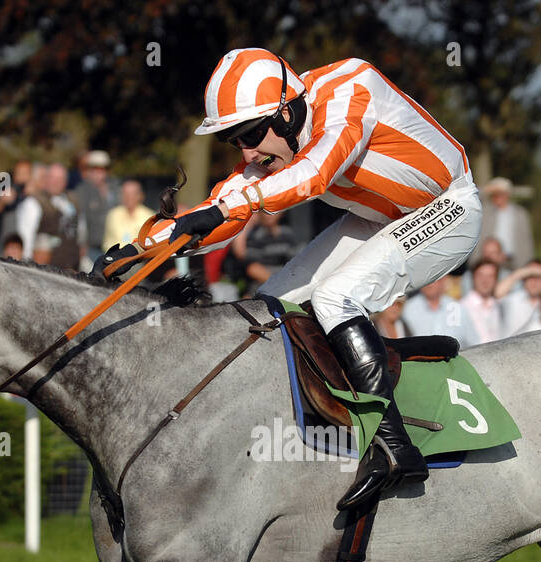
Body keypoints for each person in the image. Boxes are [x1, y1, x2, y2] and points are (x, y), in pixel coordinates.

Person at [102, 48, 482, 511]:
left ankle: (394, 447)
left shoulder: (351, 88)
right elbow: (228, 202)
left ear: (285, 112)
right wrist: (145, 248)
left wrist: (225, 209)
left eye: (250, 135)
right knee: (269, 307)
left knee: (336, 297)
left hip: (449, 207)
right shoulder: (274, 136)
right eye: (234, 142)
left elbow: (317, 173)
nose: (247, 152)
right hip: (377, 219)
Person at [470, 177, 533, 268]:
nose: (498, 197)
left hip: (515, 260)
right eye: (495, 194)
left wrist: (529, 262)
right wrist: (487, 189)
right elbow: (473, 197)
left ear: (508, 194)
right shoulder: (484, 212)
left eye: (501, 193)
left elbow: (527, 240)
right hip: (489, 260)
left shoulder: (520, 213)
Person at [75, 150, 120, 264]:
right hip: (92, 247)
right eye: (95, 169)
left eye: (102, 169)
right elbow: (81, 220)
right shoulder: (82, 191)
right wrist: (81, 244)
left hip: (115, 246)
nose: (99, 173)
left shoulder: (116, 188)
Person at [400, 276, 468, 344]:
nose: (430, 284)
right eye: (425, 279)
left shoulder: (458, 309)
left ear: (444, 279)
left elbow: (475, 343)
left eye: (434, 278)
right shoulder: (407, 310)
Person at [100, 179, 150, 254]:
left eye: (132, 194)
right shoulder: (113, 215)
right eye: (125, 193)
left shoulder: (149, 217)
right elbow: (107, 242)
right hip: (114, 260)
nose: (128, 197)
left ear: (140, 196)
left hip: (140, 261)